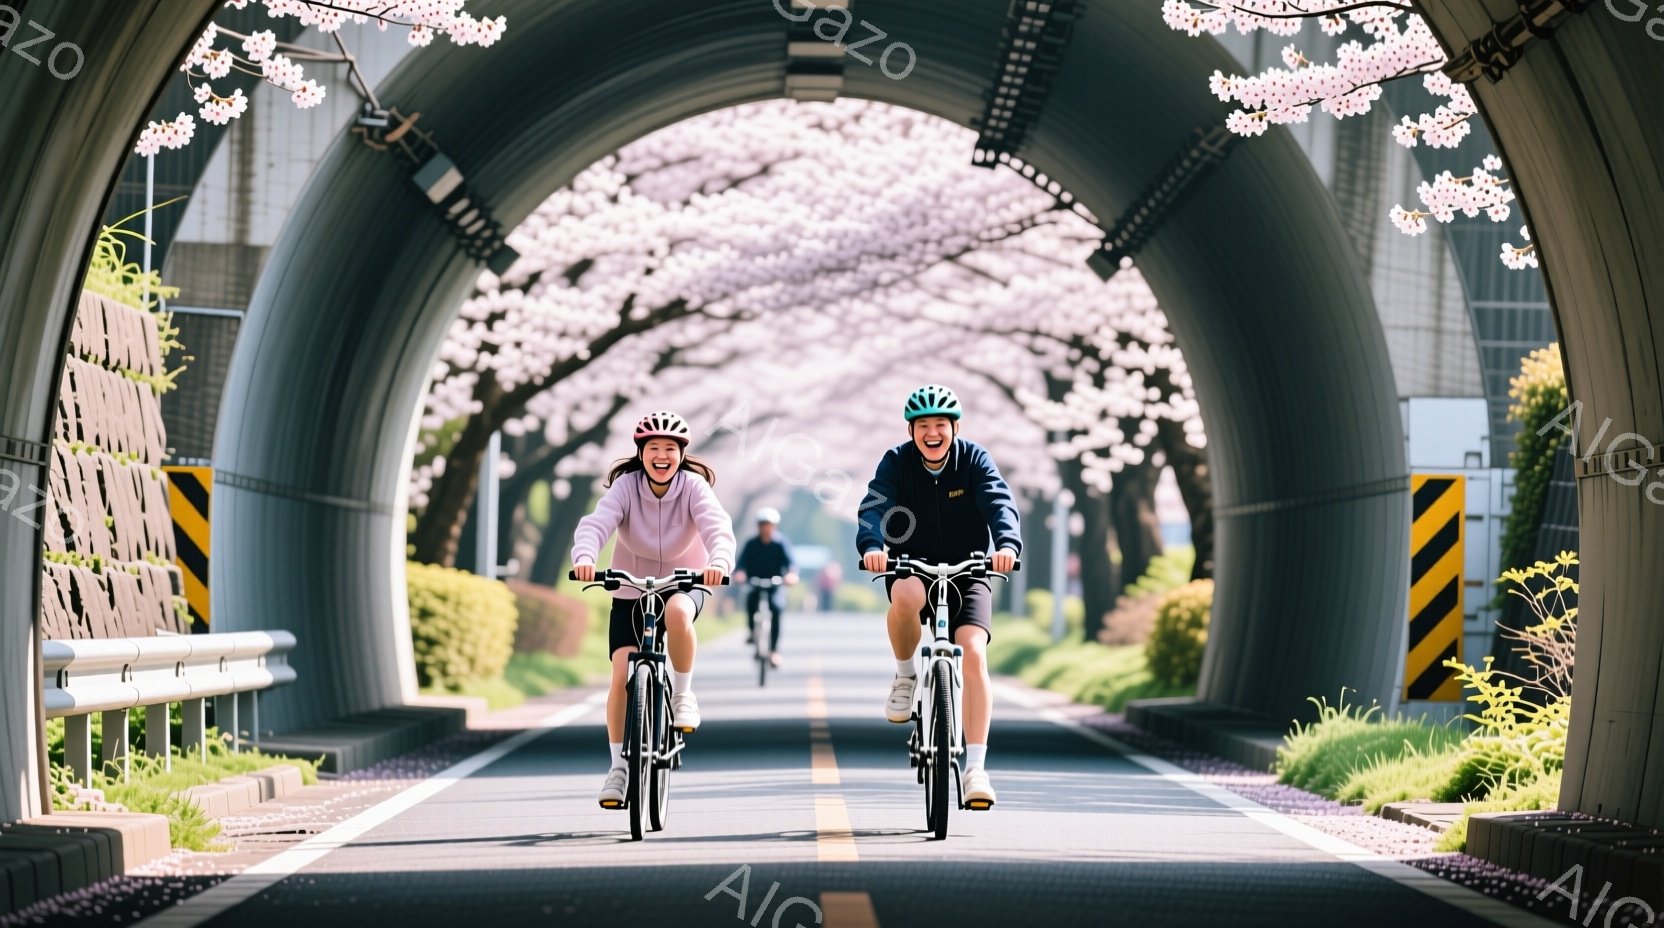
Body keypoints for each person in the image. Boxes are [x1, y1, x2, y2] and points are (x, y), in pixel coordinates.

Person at [856, 384, 1020, 809]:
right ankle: (907, 674)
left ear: (955, 428)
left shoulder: (974, 459)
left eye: (940, 425)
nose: (932, 433)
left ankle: (976, 769)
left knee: (973, 651)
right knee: (905, 598)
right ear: (911, 431)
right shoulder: (896, 462)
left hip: (969, 568)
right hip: (913, 564)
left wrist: (1006, 546)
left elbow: (999, 502)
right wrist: (872, 546)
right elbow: (875, 504)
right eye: (923, 426)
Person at [572, 411, 735, 810]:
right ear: (640, 453)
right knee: (621, 670)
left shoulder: (694, 487)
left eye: (669, 449)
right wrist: (585, 556)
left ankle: (682, 695)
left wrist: (718, 563)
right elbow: (597, 523)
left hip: (685, 581)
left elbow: (717, 527)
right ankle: (618, 769)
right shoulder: (625, 487)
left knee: (678, 614)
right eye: (653, 449)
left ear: (682, 454)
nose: (661, 456)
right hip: (630, 584)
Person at [733, 507, 799, 666]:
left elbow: (792, 565)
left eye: (769, 524)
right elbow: (740, 565)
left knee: (776, 609)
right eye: (762, 524)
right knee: (750, 604)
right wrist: (740, 574)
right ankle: (752, 632)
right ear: (758, 526)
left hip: (774, 585)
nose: (765, 527)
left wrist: (791, 575)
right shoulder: (751, 544)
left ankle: (774, 651)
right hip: (754, 583)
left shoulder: (781, 544)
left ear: (775, 526)